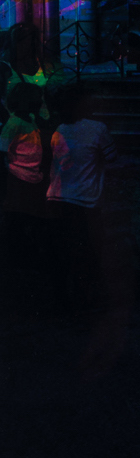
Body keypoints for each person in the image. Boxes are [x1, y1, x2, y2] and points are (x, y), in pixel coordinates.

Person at [46, 82, 118, 310]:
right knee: (88, 249)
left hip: (57, 197)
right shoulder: (97, 129)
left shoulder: (60, 129)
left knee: (64, 251)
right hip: (85, 200)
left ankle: (63, 299)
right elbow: (112, 157)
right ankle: (85, 299)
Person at [1, 80, 61, 310]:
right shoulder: (14, 123)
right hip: (19, 176)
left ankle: (26, 256)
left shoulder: (29, 120)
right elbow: (2, 149)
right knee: (21, 216)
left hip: (32, 176)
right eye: (37, 100)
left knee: (29, 215)